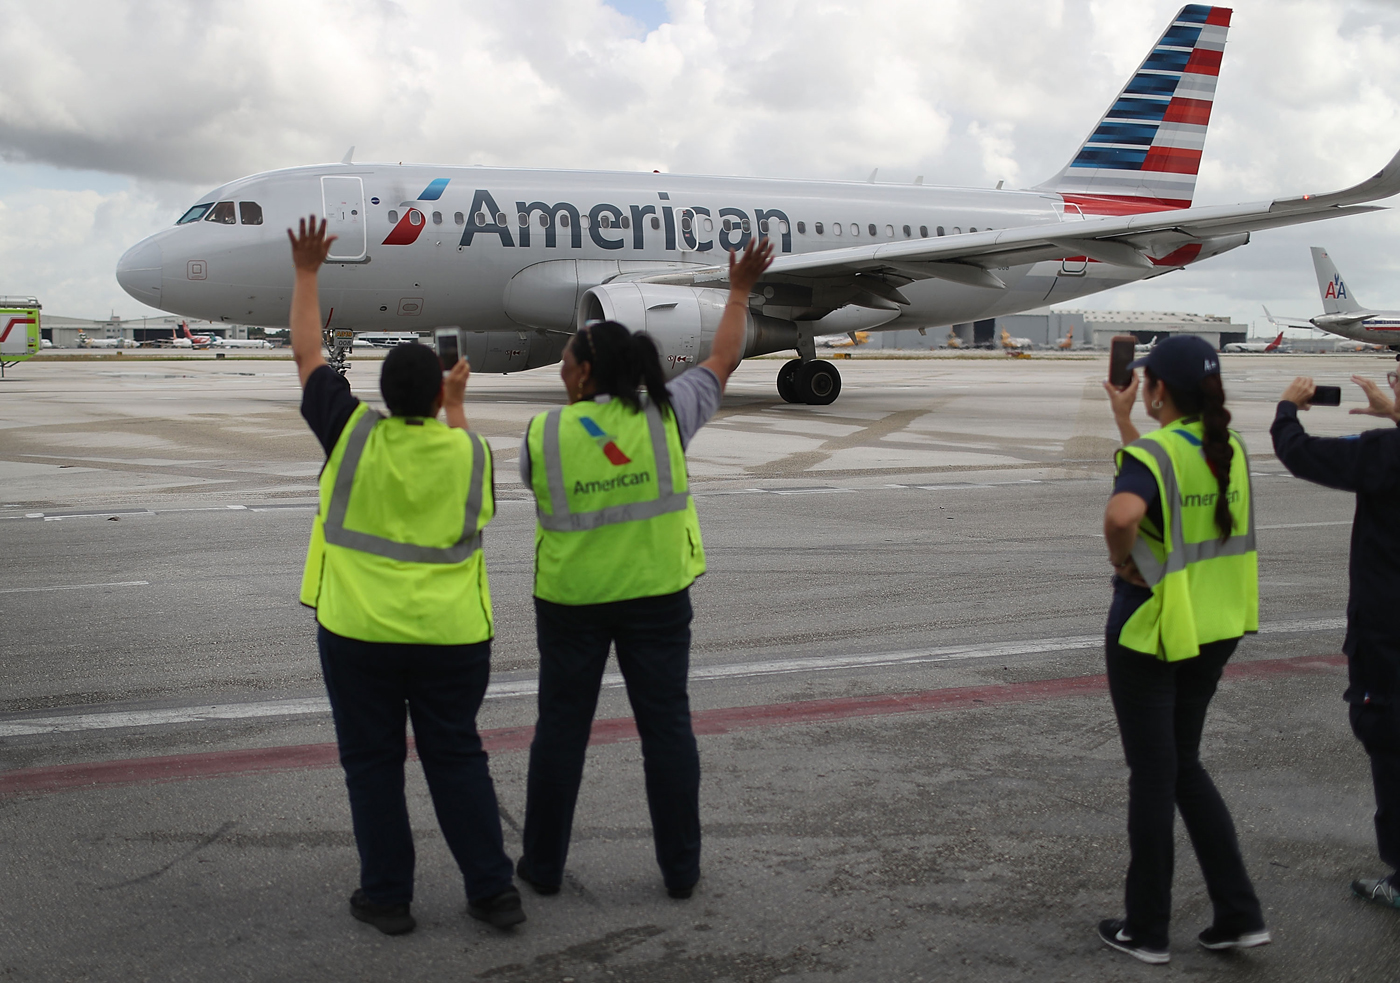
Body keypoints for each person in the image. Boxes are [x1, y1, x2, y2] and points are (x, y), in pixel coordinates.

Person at [513, 237, 775, 900]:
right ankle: (680, 870)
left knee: (560, 737)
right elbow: (722, 357)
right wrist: (739, 290)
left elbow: (539, 484)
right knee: (667, 733)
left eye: (568, 357)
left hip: (572, 605)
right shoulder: (670, 413)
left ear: (579, 374)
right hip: (658, 600)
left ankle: (542, 868)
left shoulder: (544, 435)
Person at [287, 216, 523, 934]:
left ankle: (388, 896)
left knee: (373, 765)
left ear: (381, 393)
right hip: (451, 639)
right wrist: (457, 404)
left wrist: (306, 272)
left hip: (359, 634)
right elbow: (462, 464)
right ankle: (493, 891)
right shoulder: (470, 454)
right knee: (458, 757)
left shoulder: (353, 435)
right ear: (440, 396)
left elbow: (305, 356)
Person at [1096, 335, 1270, 964]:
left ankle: (1146, 928)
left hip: (1153, 629)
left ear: (1159, 390)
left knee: (1153, 774)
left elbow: (1125, 514)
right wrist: (1123, 423)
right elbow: (1166, 483)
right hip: (1216, 625)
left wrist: (1122, 559)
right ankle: (1238, 914)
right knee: (1185, 766)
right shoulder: (1231, 448)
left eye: (1145, 383)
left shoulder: (1160, 452)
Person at [1272, 371, 1400, 909]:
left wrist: (1287, 408)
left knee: (1391, 749)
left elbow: (1300, 454)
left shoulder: (1386, 454)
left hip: (1389, 638)